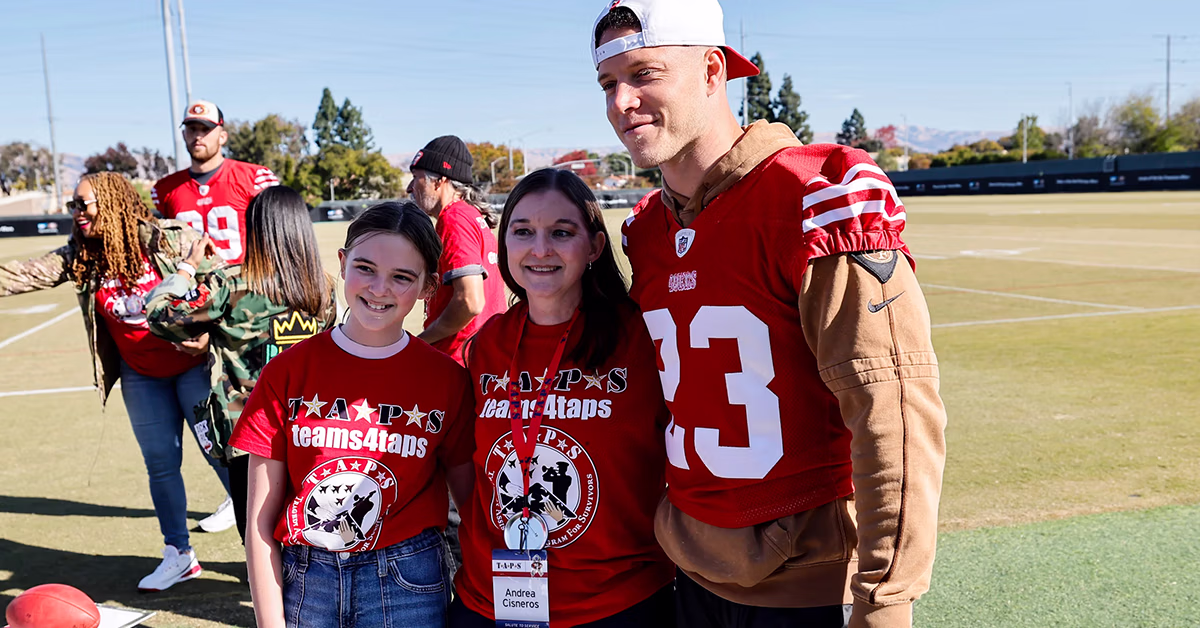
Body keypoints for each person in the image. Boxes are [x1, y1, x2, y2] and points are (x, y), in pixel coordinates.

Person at [593, 1, 949, 627]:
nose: (622, 102)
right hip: (691, 570)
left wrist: (887, 601)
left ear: (713, 71)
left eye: (645, 74)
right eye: (607, 83)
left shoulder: (815, 194)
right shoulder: (647, 229)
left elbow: (892, 411)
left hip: (806, 586)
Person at [231, 201, 476, 628]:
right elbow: (259, 524)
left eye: (402, 276)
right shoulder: (287, 372)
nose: (379, 288)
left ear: (428, 286)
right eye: (365, 268)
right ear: (343, 263)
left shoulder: (447, 379)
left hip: (408, 581)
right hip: (307, 580)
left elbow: (472, 511)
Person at [449, 169, 675, 627]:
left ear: (594, 247)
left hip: (615, 603)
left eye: (561, 233)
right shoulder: (488, 344)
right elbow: (469, 468)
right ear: (504, 243)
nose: (540, 249)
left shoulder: (641, 336)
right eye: (523, 231)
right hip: (490, 601)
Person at [0, 171, 233, 592]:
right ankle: (178, 554)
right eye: (72, 205)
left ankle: (265, 550)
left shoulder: (168, 240)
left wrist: (208, 336)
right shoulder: (81, 255)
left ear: (111, 204)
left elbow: (226, 285)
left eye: (83, 204)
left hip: (191, 369)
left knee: (221, 455)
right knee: (160, 464)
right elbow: (18, 275)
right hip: (140, 376)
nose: (76, 212)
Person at [145, 185, 339, 542]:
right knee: (306, 532)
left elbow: (160, 315)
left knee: (257, 536)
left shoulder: (230, 283)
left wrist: (188, 267)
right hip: (307, 428)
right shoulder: (323, 286)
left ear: (255, 229)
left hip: (248, 431)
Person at [407, 135, 506, 365]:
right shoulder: (469, 215)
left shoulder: (454, 219)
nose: (409, 188)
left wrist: (422, 341)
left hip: (459, 361)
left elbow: (470, 302)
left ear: (439, 181)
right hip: (480, 355)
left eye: (415, 178)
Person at [152, 99, 279, 266]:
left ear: (222, 137)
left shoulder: (254, 178)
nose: (198, 136)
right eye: (192, 129)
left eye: (206, 129)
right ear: (183, 135)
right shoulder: (165, 189)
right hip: (192, 280)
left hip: (243, 278)